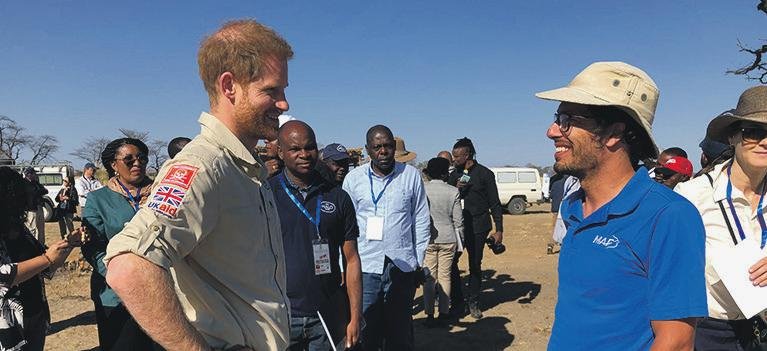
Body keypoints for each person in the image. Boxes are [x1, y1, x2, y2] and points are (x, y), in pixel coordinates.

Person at [103, 19, 293, 351]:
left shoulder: (245, 165)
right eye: (271, 91)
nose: (284, 103)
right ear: (229, 86)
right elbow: (128, 267)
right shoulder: (203, 165)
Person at [537, 61, 707, 350]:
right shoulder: (574, 206)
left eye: (567, 119)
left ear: (614, 133)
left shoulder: (668, 216)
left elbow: (676, 342)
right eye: (557, 117)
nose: (552, 131)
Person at [676, 85, 767, 350]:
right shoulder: (692, 195)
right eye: (753, 132)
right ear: (731, 138)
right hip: (710, 330)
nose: (765, 141)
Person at [269, 121, 363, 350]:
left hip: (326, 315)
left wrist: (355, 316)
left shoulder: (337, 197)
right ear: (281, 153)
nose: (304, 155)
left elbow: (351, 259)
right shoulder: (265, 193)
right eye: (294, 149)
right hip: (280, 316)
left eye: (309, 147)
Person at [341, 125, 430, 351]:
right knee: (367, 327)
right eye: (377, 147)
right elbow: (344, 226)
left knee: (399, 331)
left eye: (388, 146)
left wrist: (418, 261)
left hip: (401, 266)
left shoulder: (410, 176)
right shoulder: (354, 179)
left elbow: (420, 220)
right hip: (365, 266)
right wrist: (343, 265)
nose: (383, 151)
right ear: (368, 150)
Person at [81, 138, 160, 351]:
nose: (137, 163)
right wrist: (117, 273)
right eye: (129, 159)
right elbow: (91, 245)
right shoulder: (98, 199)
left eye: (142, 158)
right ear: (114, 165)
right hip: (116, 293)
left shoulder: (162, 194)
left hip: (162, 290)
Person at [0, 167, 81, 351]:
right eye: (20, 192)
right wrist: (46, 258)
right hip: (8, 322)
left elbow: (46, 267)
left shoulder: (20, 229)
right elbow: (3, 276)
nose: (29, 196)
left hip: (35, 312)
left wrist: (69, 243)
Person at [447, 137, 504, 319]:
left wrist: (499, 230)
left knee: (474, 264)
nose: (454, 159)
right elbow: (446, 198)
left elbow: (494, 203)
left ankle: (474, 302)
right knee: (451, 263)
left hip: (479, 226)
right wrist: (455, 188)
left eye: (457, 156)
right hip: (457, 228)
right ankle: (457, 301)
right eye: (453, 156)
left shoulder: (485, 174)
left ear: (468, 154)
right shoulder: (453, 175)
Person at [422, 157, 463, 328]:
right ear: (445, 173)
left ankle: (429, 315)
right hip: (448, 238)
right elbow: (458, 221)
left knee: (429, 278)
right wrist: (461, 241)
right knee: (445, 276)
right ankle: (444, 313)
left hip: (428, 238)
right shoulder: (453, 191)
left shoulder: (422, 190)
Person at [22, 168, 47, 244]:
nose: (35, 175)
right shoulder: (24, 183)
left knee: (41, 228)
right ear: (28, 174)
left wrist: (38, 191)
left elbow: (45, 190)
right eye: (33, 174)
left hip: (39, 207)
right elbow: (32, 193)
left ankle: (41, 245)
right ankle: (34, 246)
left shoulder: (35, 183)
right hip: (31, 209)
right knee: (33, 228)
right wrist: (37, 192)